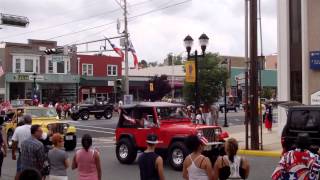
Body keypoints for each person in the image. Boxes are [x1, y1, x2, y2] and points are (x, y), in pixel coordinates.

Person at [12, 115, 32, 180]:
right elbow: (44, 137)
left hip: (22, 153)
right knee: (34, 171)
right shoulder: (35, 128)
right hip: (33, 153)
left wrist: (13, 153)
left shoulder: (18, 129)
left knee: (19, 171)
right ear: (31, 121)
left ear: (24, 121)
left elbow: (14, 142)